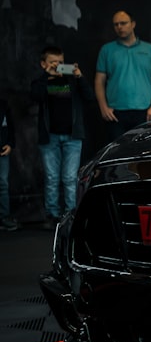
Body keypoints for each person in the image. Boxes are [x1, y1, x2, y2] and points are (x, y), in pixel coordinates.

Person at [30, 45, 93, 228]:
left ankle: (71, 215)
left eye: (59, 62)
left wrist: (79, 76)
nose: (57, 65)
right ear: (44, 64)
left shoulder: (72, 81)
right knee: (51, 177)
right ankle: (51, 215)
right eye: (52, 62)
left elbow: (89, 97)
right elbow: (35, 96)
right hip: (50, 137)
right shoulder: (41, 83)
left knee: (70, 177)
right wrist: (46, 76)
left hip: (72, 137)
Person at [94, 10, 151, 140]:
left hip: (145, 110)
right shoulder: (107, 50)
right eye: (116, 24)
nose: (119, 27)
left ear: (133, 24)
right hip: (115, 112)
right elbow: (99, 81)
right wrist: (103, 107)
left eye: (123, 23)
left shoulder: (150, 49)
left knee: (143, 151)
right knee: (117, 154)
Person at [0, 96, 16, 231]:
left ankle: (4, 217)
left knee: (3, 184)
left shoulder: (3, 103)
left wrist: (10, 144)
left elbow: (10, 125)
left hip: (2, 150)